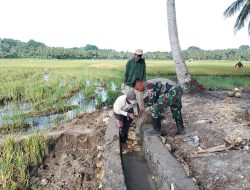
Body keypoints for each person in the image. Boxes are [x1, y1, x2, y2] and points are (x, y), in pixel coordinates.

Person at [123, 49, 146, 115]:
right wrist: (125, 83)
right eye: (136, 55)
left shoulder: (142, 63)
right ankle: (135, 113)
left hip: (138, 84)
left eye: (139, 56)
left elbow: (144, 73)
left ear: (141, 56)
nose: (137, 57)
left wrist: (143, 82)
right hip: (129, 83)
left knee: (140, 99)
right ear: (134, 54)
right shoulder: (129, 62)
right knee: (130, 99)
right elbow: (126, 73)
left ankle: (143, 113)